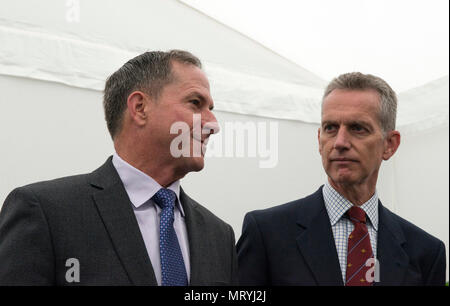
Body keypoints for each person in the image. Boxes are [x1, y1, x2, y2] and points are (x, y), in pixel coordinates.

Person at [0, 50, 238, 286]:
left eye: (211, 109)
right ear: (140, 107)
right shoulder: (46, 212)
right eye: (195, 103)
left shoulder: (219, 236)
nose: (213, 125)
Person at [237, 72, 446, 286]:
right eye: (331, 128)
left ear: (390, 144)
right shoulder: (267, 233)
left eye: (357, 128)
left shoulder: (425, 252)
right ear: (319, 140)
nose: (340, 142)